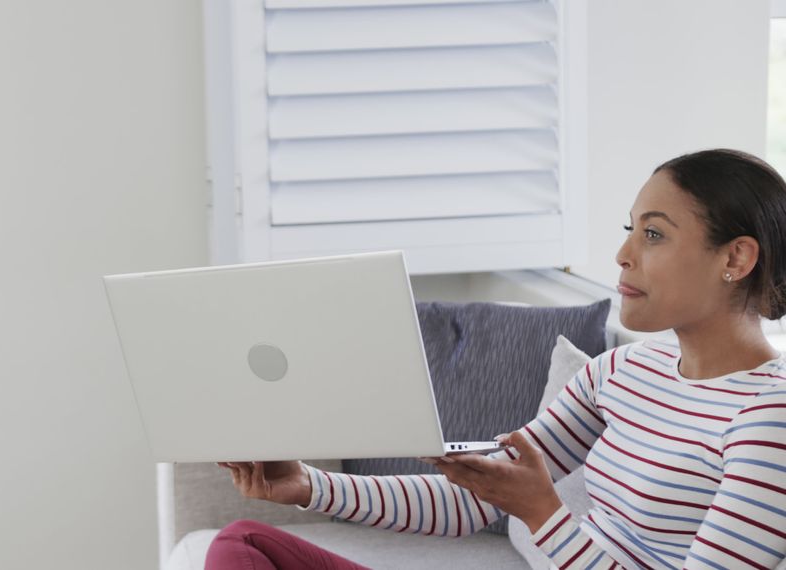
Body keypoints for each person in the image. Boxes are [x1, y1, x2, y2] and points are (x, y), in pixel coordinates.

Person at [206, 149, 786, 570]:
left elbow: (533, 509)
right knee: (244, 546)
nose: (623, 254)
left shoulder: (768, 418)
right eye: (630, 230)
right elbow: (471, 501)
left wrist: (543, 514)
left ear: (735, 257)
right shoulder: (620, 374)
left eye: (654, 235)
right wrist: (307, 485)